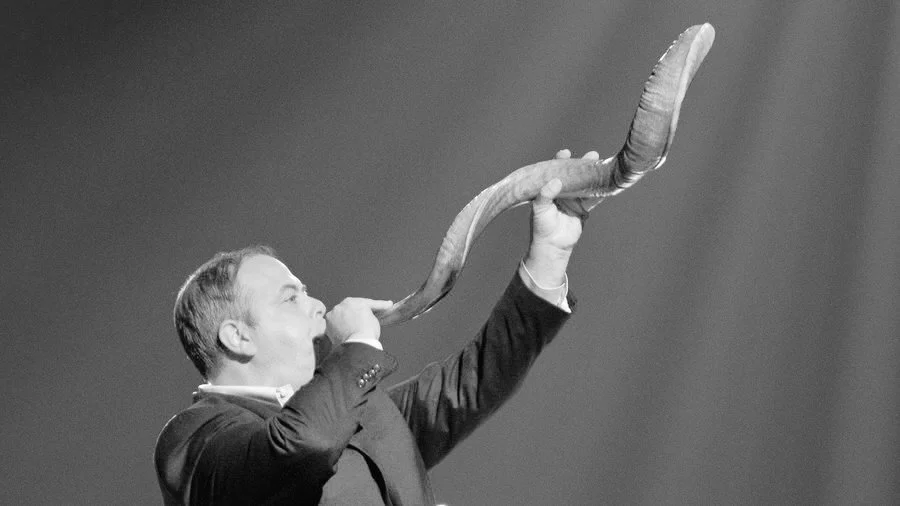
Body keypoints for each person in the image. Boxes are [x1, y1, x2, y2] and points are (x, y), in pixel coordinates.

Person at [154, 149, 597, 505]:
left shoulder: (361, 413)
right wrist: (358, 345)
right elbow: (301, 445)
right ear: (238, 336)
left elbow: (473, 381)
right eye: (290, 298)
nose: (318, 305)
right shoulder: (192, 441)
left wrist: (549, 253)